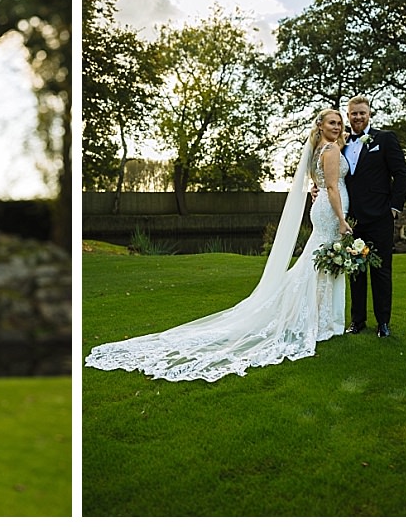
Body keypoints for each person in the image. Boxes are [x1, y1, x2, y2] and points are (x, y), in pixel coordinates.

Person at [85, 108, 354, 382]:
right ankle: (321, 323)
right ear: (320, 125)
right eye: (332, 122)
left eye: (339, 123)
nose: (337, 126)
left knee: (318, 264)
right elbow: (331, 187)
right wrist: (342, 220)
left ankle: (320, 320)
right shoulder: (330, 150)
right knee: (319, 264)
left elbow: (320, 182)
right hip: (331, 212)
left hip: (324, 209)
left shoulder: (320, 148)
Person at [343, 95, 406, 337]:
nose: (358, 117)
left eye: (362, 113)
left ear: (369, 114)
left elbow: (401, 174)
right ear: (347, 116)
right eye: (353, 113)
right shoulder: (343, 143)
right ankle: (357, 321)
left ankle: (383, 323)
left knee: (381, 271)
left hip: (380, 216)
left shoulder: (385, 139)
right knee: (355, 270)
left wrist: (395, 207)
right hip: (353, 220)